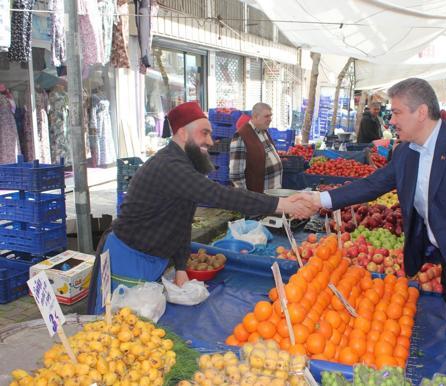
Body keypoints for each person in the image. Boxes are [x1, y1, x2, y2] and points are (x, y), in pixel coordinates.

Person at [296, 78, 446, 386]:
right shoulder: (407, 152)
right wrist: (318, 199)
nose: (391, 120)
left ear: (421, 112)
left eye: (397, 113)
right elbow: (373, 185)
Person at [87, 101, 313, 314]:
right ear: (182, 133)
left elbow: (180, 221)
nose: (211, 141)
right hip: (127, 258)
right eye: (204, 133)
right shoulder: (170, 167)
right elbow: (219, 195)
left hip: (150, 258)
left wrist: (182, 266)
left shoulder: (183, 165)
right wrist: (280, 204)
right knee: (115, 329)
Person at [229, 103, 283, 193]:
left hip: (272, 195)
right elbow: (236, 175)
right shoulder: (241, 136)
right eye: (267, 116)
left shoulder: (263, 131)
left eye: (270, 116)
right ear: (255, 116)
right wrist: (245, 198)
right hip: (258, 198)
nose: (270, 119)